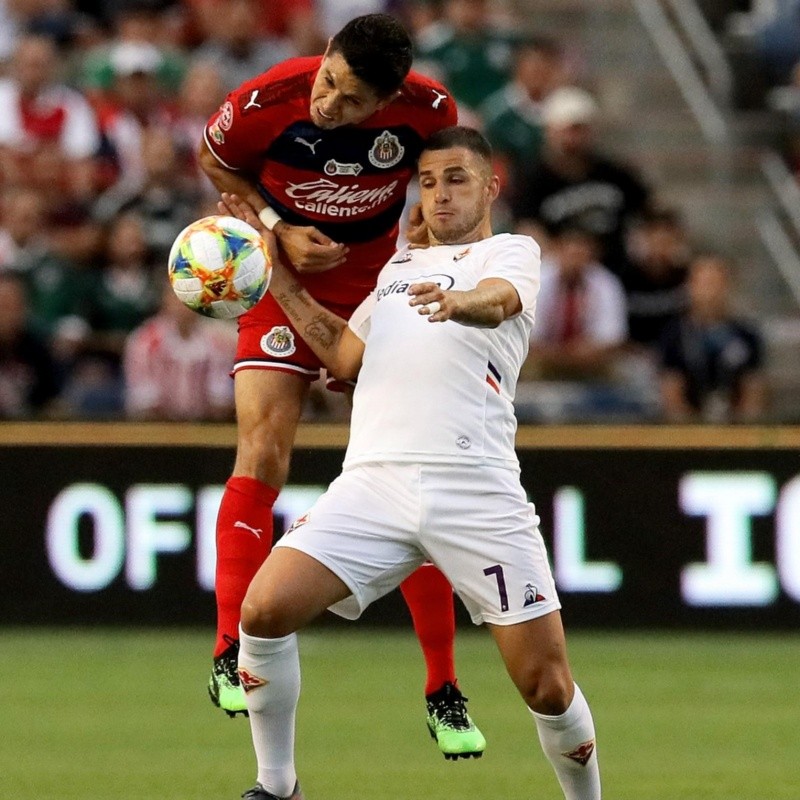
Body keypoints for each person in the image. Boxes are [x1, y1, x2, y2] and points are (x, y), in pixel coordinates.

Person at [219, 125, 601, 800]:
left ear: (491, 185)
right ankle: (276, 786)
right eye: (426, 183)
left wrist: (461, 303)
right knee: (264, 609)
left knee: (546, 684)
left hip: (474, 489)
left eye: (455, 179)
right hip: (373, 483)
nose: (439, 196)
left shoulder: (511, 253)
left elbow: (499, 304)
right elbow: (343, 355)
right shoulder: (397, 271)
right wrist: (270, 272)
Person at [198, 13, 485, 759]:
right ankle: (229, 647)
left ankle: (443, 688)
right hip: (280, 279)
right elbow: (214, 158)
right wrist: (273, 225)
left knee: (408, 476)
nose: (329, 104)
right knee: (262, 450)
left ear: (388, 99)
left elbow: (443, 180)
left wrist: (427, 220)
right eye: (328, 81)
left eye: (351, 100)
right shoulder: (268, 99)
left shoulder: (431, 111)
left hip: (375, 290)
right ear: (322, 57)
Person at [510, 85, 652, 276]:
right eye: (568, 130)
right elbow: (527, 229)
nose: (573, 139)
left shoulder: (615, 174)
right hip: (558, 275)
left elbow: (649, 212)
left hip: (616, 271)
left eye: (581, 130)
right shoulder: (533, 178)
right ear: (550, 131)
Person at [657, 253, 768, 423]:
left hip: (736, 426)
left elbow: (753, 391)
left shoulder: (747, 335)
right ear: (690, 286)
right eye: (704, 283)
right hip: (689, 431)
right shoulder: (674, 335)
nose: (711, 292)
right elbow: (672, 394)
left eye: (717, 283)